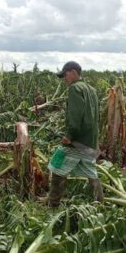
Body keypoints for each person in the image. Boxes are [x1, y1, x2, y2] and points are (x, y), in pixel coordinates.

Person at [47, 61, 104, 206]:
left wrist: (69, 136)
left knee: (57, 166)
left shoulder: (74, 89)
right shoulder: (91, 89)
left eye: (65, 75)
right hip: (90, 140)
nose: (65, 79)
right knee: (91, 172)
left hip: (77, 140)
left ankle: (52, 205)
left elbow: (76, 115)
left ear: (73, 72)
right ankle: (100, 203)